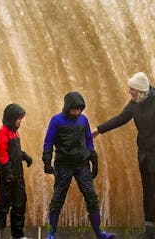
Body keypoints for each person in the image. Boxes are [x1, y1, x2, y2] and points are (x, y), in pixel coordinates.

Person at [92, 72, 155, 239]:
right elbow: (121, 118)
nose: (129, 92)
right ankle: (149, 230)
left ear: (140, 90)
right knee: (147, 191)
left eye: (132, 90)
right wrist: (98, 130)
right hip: (144, 152)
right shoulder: (135, 103)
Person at [42, 91, 115, 239]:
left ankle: (99, 232)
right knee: (57, 199)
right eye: (74, 109)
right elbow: (48, 141)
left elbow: (88, 139)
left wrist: (93, 156)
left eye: (79, 109)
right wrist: (47, 161)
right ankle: (50, 234)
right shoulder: (57, 121)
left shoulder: (83, 120)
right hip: (63, 165)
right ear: (67, 107)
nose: (77, 112)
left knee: (91, 196)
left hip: (82, 164)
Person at [0, 103, 34, 239]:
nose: (20, 121)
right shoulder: (2, 133)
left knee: (20, 204)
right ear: (11, 118)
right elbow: (3, 156)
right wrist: (8, 173)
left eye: (21, 119)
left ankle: (18, 235)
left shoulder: (15, 132)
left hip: (17, 175)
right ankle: (0, 232)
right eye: (18, 119)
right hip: (5, 177)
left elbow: (14, 152)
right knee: (3, 205)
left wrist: (24, 156)